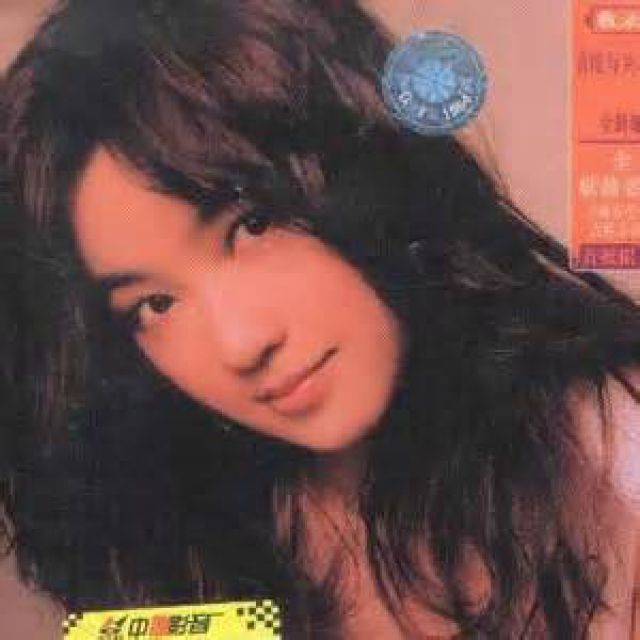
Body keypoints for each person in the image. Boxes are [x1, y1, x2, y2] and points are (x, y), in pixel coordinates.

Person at [3, 0, 640, 637]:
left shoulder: (611, 446)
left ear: (362, 163)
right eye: (156, 304)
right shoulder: (179, 552)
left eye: (253, 224)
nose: (239, 344)